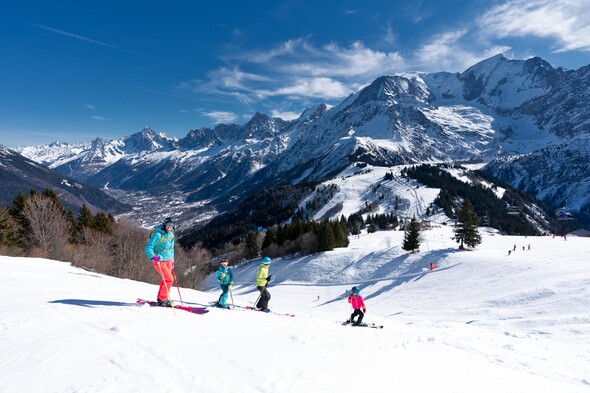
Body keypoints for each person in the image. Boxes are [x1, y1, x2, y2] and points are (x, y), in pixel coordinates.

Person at [145, 217, 176, 306]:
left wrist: (172, 261)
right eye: (168, 225)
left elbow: (171, 249)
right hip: (159, 261)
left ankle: (162, 297)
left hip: (169, 260)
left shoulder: (171, 235)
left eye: (171, 225)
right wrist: (153, 257)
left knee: (166, 279)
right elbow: (148, 247)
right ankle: (163, 299)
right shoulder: (158, 235)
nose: (169, 227)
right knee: (170, 279)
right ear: (164, 225)